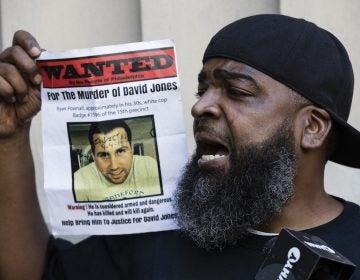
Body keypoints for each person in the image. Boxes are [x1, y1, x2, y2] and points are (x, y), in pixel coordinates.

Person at [0, 14, 360, 280]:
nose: (200, 107)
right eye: (203, 89)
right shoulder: (160, 231)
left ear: (312, 128)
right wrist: (10, 135)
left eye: (236, 92)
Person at [73, 119, 161, 202]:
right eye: (104, 155)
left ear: (132, 148)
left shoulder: (148, 166)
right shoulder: (80, 180)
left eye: (120, 151)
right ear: (93, 156)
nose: (114, 166)